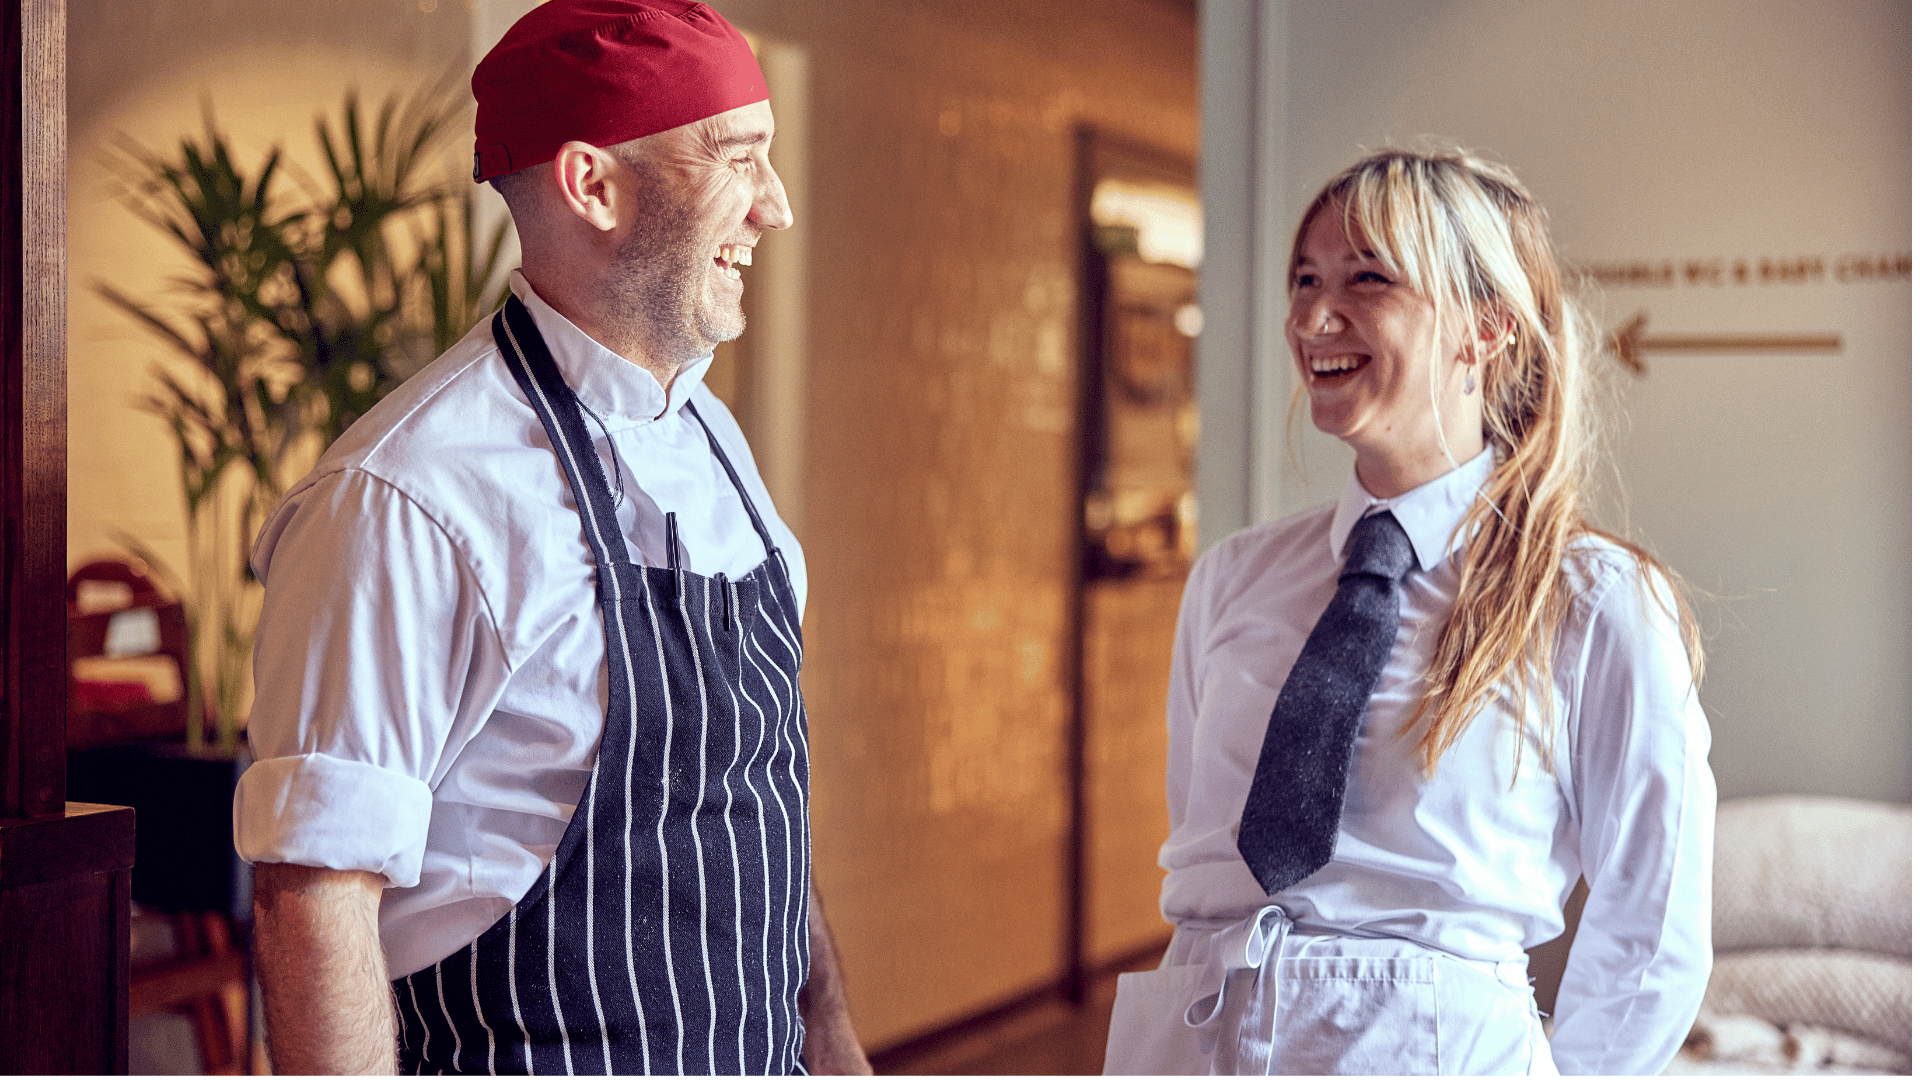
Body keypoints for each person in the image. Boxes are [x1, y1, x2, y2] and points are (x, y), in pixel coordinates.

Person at [233, 2, 869, 1073]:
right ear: (592, 184)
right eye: (739, 159)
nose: (778, 208)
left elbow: (756, 807)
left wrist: (838, 1048)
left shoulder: (715, 444)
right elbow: (316, 897)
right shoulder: (404, 498)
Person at [1103, 148, 1714, 1075]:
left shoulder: (1593, 602)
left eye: (1366, 279)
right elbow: (1205, 850)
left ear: (1484, 329)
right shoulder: (1233, 579)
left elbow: (1653, 931)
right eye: (1304, 280)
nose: (1312, 317)